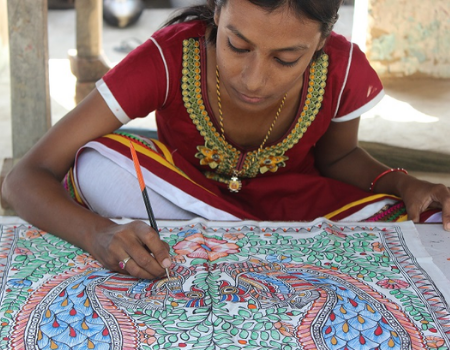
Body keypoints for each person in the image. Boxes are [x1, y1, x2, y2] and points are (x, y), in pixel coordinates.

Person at [2, 0, 449, 280]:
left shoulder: (341, 69)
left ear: (321, 43)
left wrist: (403, 184)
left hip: (298, 206)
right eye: (237, 46)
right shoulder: (169, 58)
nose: (254, 79)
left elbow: (340, 157)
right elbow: (24, 178)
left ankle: (236, 229)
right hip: (182, 196)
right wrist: (99, 236)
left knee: (427, 224)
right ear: (217, 13)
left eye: (287, 58)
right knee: (96, 163)